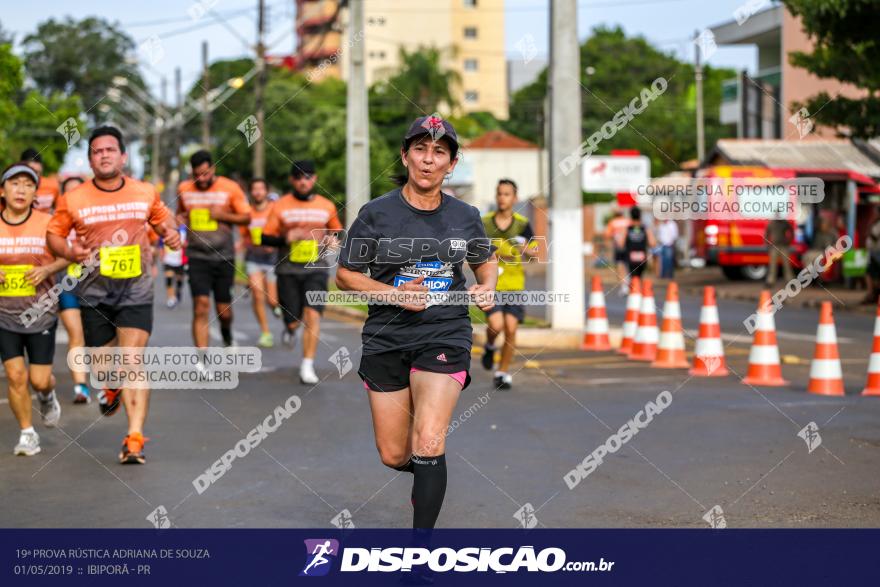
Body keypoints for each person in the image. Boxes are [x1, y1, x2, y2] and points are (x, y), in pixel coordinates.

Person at [336, 115, 497, 531]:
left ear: (452, 163)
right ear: (405, 156)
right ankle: (430, 473)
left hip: (445, 331)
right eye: (421, 150)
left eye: (439, 152)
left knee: (428, 439)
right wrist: (394, 295)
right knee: (394, 453)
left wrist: (487, 286)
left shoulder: (465, 215)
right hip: (386, 336)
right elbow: (346, 274)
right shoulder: (376, 214)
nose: (429, 160)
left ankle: (420, 554)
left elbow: (485, 259)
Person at [47, 126, 181, 464]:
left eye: (110, 150)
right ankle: (109, 387)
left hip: (135, 290)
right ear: (91, 160)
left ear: (123, 156)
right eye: (96, 151)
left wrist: (171, 235)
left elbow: (166, 222)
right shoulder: (74, 198)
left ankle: (134, 438)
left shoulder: (144, 192)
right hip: (94, 292)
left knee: (132, 361)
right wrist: (71, 251)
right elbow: (54, 236)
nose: (103, 155)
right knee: (104, 367)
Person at [0, 163, 68, 455]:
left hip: (40, 313)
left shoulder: (47, 223)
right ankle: (27, 433)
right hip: (4, 314)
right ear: (3, 190)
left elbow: (68, 256)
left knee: (38, 379)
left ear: (35, 193)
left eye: (28, 185)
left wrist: (48, 269)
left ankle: (47, 393)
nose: (21, 190)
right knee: (16, 376)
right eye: (15, 183)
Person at [261, 161, 342, 383]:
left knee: (313, 314)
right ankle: (289, 327)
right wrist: (285, 238)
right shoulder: (280, 206)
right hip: (288, 269)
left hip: (316, 268)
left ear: (314, 179)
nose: (303, 181)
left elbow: (337, 232)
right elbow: (265, 237)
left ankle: (307, 365)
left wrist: (331, 239)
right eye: (298, 177)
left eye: (307, 177)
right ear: (292, 180)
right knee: (294, 319)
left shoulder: (326, 205)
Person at [176, 150, 251, 348]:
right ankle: (202, 359)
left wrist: (223, 215)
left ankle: (226, 334)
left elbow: (246, 217)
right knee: (201, 307)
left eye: (206, 173)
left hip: (223, 256)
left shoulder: (230, 188)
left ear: (213, 169)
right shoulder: (184, 188)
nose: (202, 179)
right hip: (196, 255)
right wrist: (180, 222)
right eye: (197, 174)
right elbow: (181, 214)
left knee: (224, 311)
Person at [480, 178, 538, 390]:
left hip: (514, 284)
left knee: (511, 329)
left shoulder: (522, 224)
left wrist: (525, 250)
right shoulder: (485, 222)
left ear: (515, 198)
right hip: (492, 283)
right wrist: (493, 254)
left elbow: (534, 254)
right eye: (499, 193)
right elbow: (474, 249)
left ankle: (502, 372)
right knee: (496, 326)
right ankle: (488, 346)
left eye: (506, 194)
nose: (502, 198)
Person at [55, 175, 91, 404]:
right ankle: (81, 387)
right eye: (69, 193)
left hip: (99, 284)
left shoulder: (100, 218)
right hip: (67, 281)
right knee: (76, 334)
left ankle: (108, 382)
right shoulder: (56, 222)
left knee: (100, 337)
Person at [239, 177, 278, 348]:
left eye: (261, 189)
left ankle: (276, 306)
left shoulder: (274, 210)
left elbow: (282, 230)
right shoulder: (247, 213)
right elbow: (244, 236)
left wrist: (273, 244)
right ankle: (265, 332)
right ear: (250, 192)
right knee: (257, 292)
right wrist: (244, 244)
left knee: (272, 300)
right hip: (254, 257)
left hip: (273, 259)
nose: (257, 192)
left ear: (266, 191)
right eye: (254, 189)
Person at [21, 148, 61, 212]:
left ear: (41, 167)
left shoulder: (53, 185)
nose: (34, 176)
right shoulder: (12, 186)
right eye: (30, 171)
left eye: (36, 172)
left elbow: (59, 209)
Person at [603, 208, 630, 294]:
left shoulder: (613, 222)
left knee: (619, 266)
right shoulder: (628, 221)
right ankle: (629, 283)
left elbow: (607, 234)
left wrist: (615, 234)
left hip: (618, 247)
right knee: (628, 265)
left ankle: (624, 286)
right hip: (628, 246)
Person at [624, 207, 655, 279]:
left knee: (633, 278)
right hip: (642, 257)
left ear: (630, 216)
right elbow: (652, 243)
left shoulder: (627, 229)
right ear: (640, 216)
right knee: (639, 277)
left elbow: (621, 243)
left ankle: (634, 288)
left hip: (630, 256)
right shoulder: (645, 228)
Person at [161, 224, 187, 309]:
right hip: (168, 260)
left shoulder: (184, 230)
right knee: (169, 278)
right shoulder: (164, 230)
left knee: (179, 279)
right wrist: (162, 255)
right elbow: (160, 244)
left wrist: (184, 244)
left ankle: (178, 291)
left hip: (180, 260)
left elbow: (188, 243)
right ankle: (171, 298)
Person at [765, 216, 794, 285]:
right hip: (774, 246)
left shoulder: (784, 223)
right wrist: (768, 245)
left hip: (784, 246)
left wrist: (789, 241)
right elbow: (766, 234)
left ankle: (790, 280)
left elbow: (791, 231)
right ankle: (770, 281)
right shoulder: (771, 223)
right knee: (772, 265)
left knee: (787, 265)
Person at [863, 211, 880, 304]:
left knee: (870, 273)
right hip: (874, 252)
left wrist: (869, 231)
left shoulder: (878, 224)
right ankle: (873, 294)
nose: (874, 214)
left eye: (876, 213)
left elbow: (874, 237)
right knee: (872, 274)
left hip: (877, 253)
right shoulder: (876, 223)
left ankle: (872, 294)